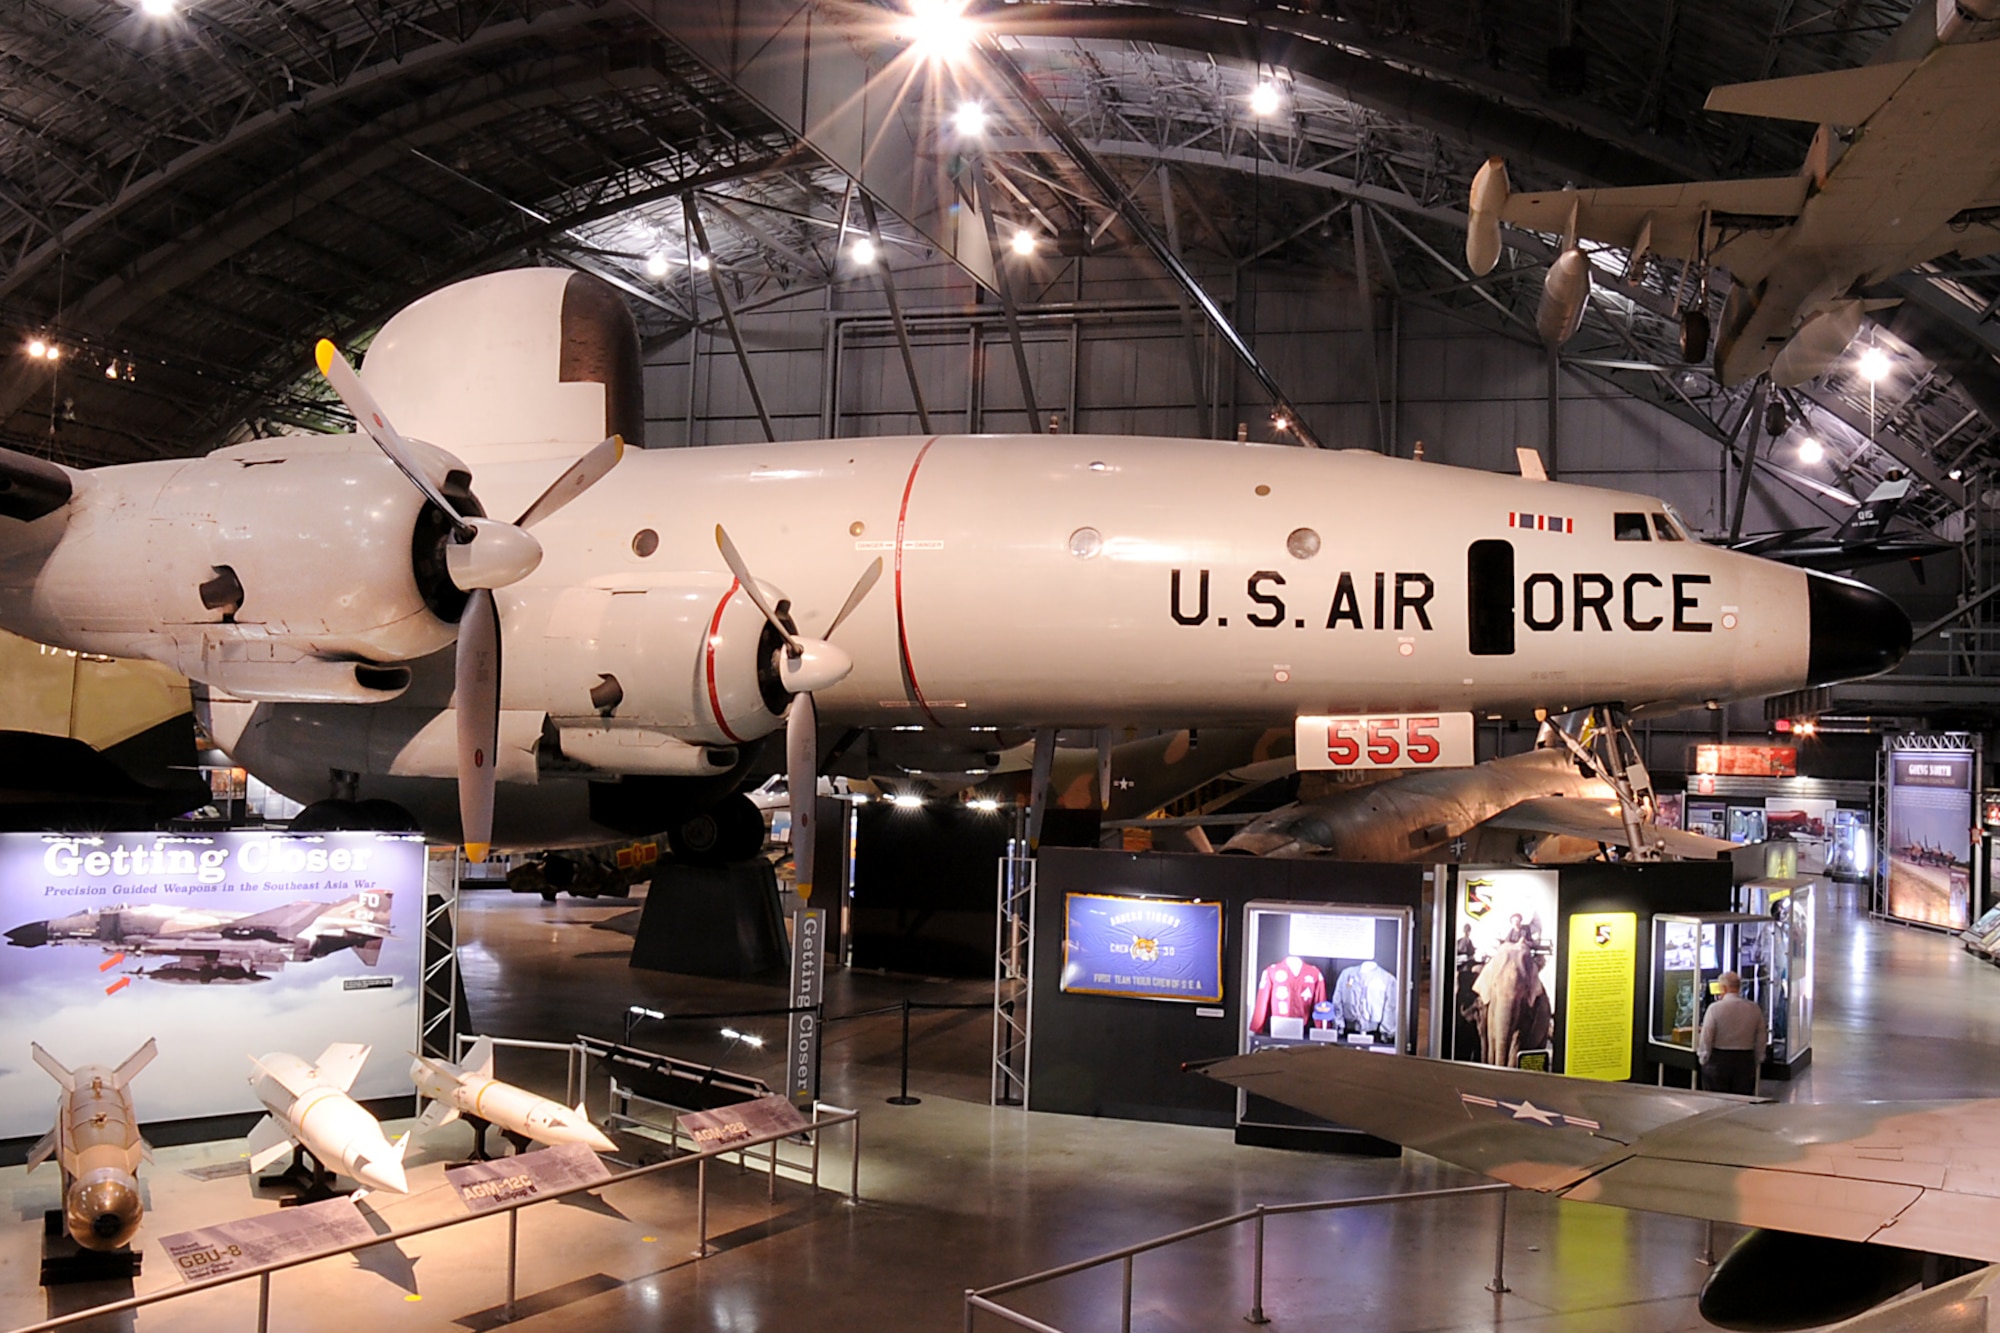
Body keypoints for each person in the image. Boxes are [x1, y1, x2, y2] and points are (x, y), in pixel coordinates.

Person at [1696, 971, 1767, 1095]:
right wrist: (1757, 1058)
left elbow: (1707, 1036)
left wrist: (1703, 1057)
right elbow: (1761, 1036)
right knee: (1742, 1102)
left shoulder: (1714, 1008)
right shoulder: (1754, 1008)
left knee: (1716, 1100)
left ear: (1723, 988)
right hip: (1745, 1060)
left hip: (1719, 1061)